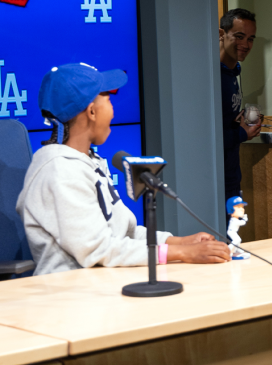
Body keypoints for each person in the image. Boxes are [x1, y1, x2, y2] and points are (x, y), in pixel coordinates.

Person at [18, 62, 231, 275]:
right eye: (108, 100)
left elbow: (121, 233)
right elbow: (98, 250)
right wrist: (181, 253)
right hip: (70, 296)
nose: (113, 110)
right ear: (91, 111)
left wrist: (180, 242)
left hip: (102, 284)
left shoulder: (88, 161)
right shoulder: (60, 172)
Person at [219, 8, 262, 204]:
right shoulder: (211, 76)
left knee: (233, 235)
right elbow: (202, 139)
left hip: (232, 177)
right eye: (239, 36)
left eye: (250, 39)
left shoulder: (233, 72)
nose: (245, 44)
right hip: (215, 180)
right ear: (221, 34)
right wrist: (242, 134)